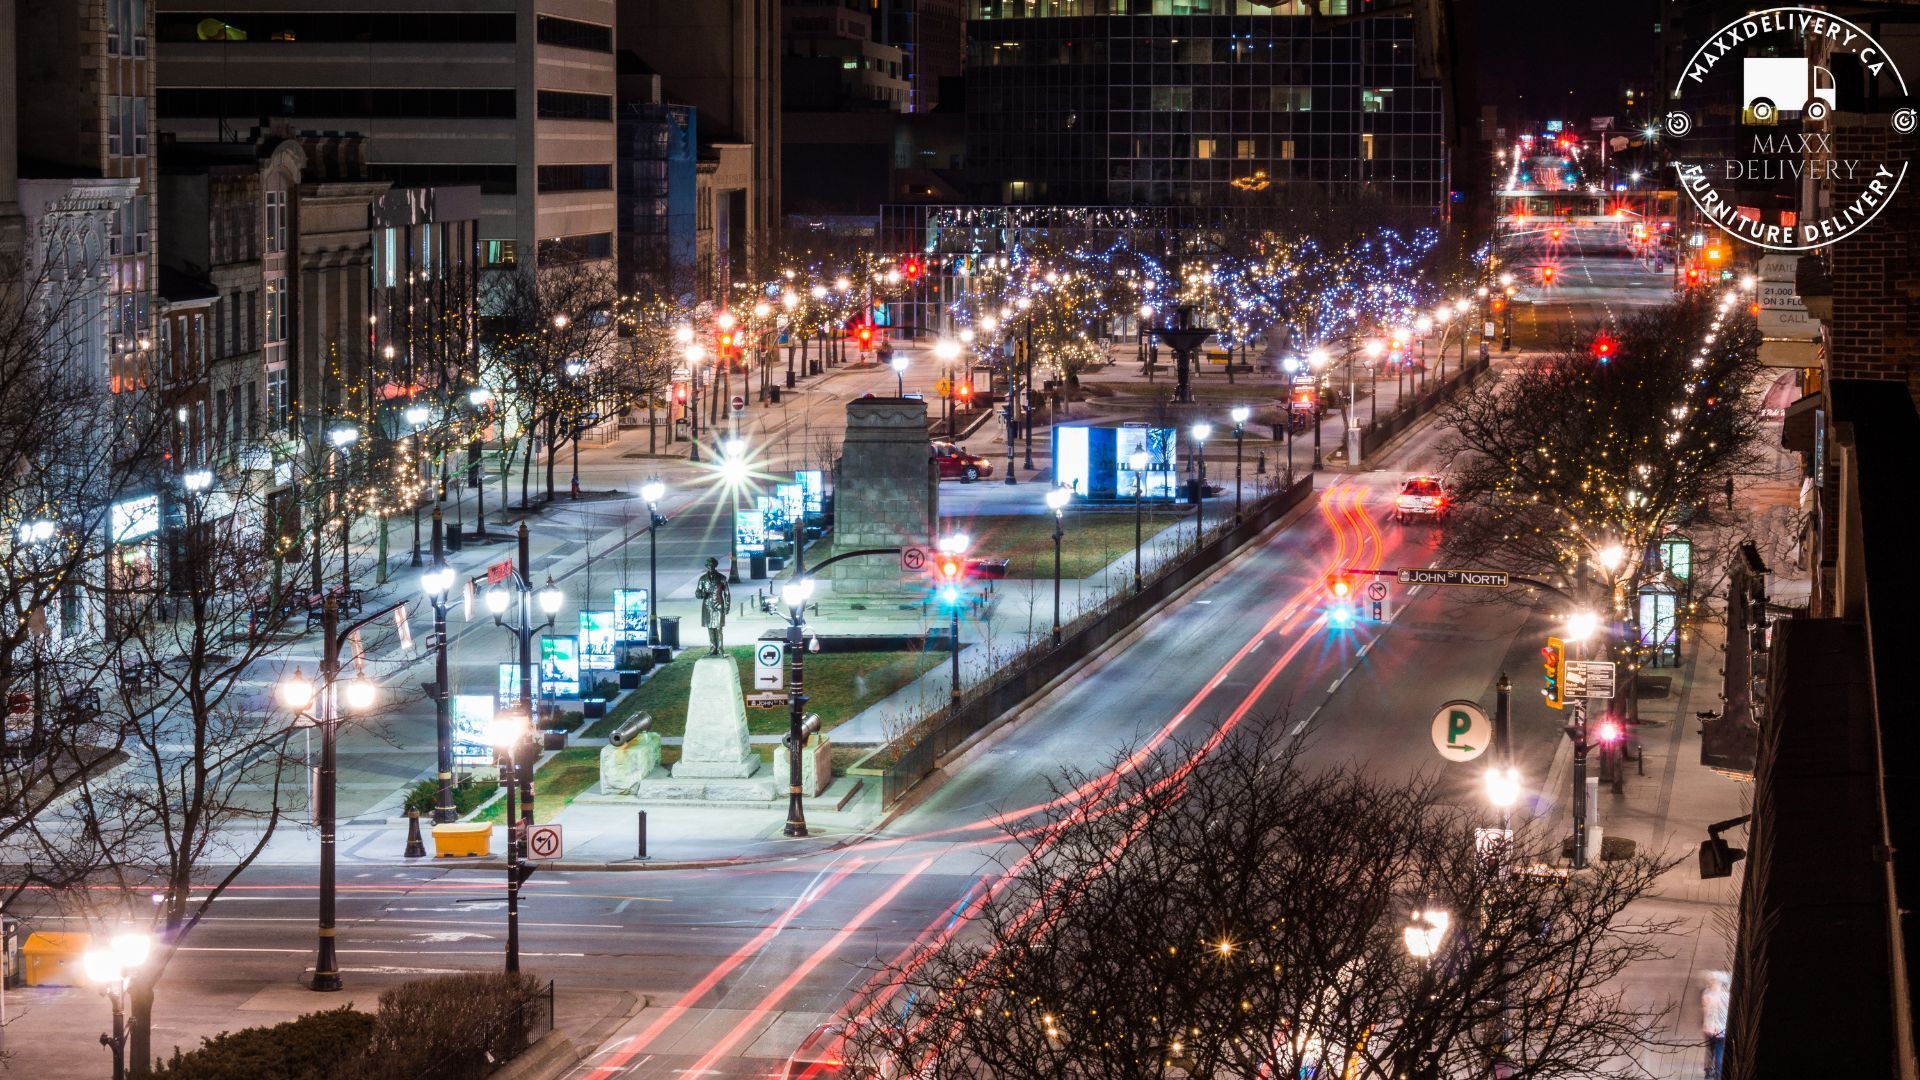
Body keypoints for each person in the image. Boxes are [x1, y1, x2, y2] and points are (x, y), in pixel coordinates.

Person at [693, 557, 731, 656]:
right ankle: (713, 648)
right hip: (707, 606)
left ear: (715, 566)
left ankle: (720, 649)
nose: (710, 567)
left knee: (718, 627)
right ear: (707, 566)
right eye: (709, 565)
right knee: (710, 627)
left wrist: (727, 606)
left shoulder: (722, 578)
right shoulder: (702, 579)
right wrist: (701, 594)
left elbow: (727, 593)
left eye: (712, 565)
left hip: (718, 605)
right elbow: (697, 592)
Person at [1701, 969, 1731, 1078]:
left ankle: (1708, 1072)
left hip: (1708, 1028)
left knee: (1709, 1051)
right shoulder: (1726, 996)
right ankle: (1718, 1073)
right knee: (1719, 1051)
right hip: (1721, 1030)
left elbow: (1705, 1008)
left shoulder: (1707, 994)